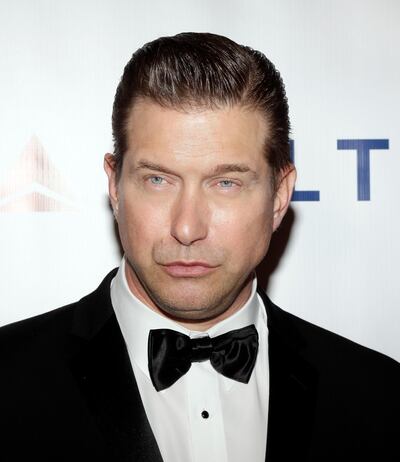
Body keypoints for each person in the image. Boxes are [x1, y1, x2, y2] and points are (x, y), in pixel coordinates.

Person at [0, 32, 398, 462]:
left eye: (225, 183)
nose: (187, 228)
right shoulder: (7, 380)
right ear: (114, 186)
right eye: (158, 180)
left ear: (279, 196)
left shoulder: (380, 396)